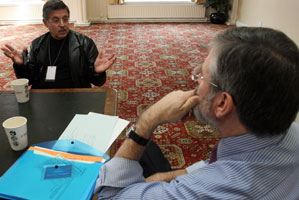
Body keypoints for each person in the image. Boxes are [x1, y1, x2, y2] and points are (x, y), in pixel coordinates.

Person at [94, 27, 299, 199]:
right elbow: (219, 162)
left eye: (202, 76)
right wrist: (171, 175)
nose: (195, 79)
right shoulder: (291, 131)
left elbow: (111, 195)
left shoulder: (206, 190)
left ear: (222, 103)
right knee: (150, 153)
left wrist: (149, 119)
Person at [1, 0, 116, 89]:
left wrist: (97, 72)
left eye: (65, 19)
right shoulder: (37, 44)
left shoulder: (85, 43)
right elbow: (29, 80)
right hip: (45, 96)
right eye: (56, 20)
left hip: (76, 95)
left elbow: (98, 82)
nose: (63, 24)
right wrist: (21, 65)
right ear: (45, 23)